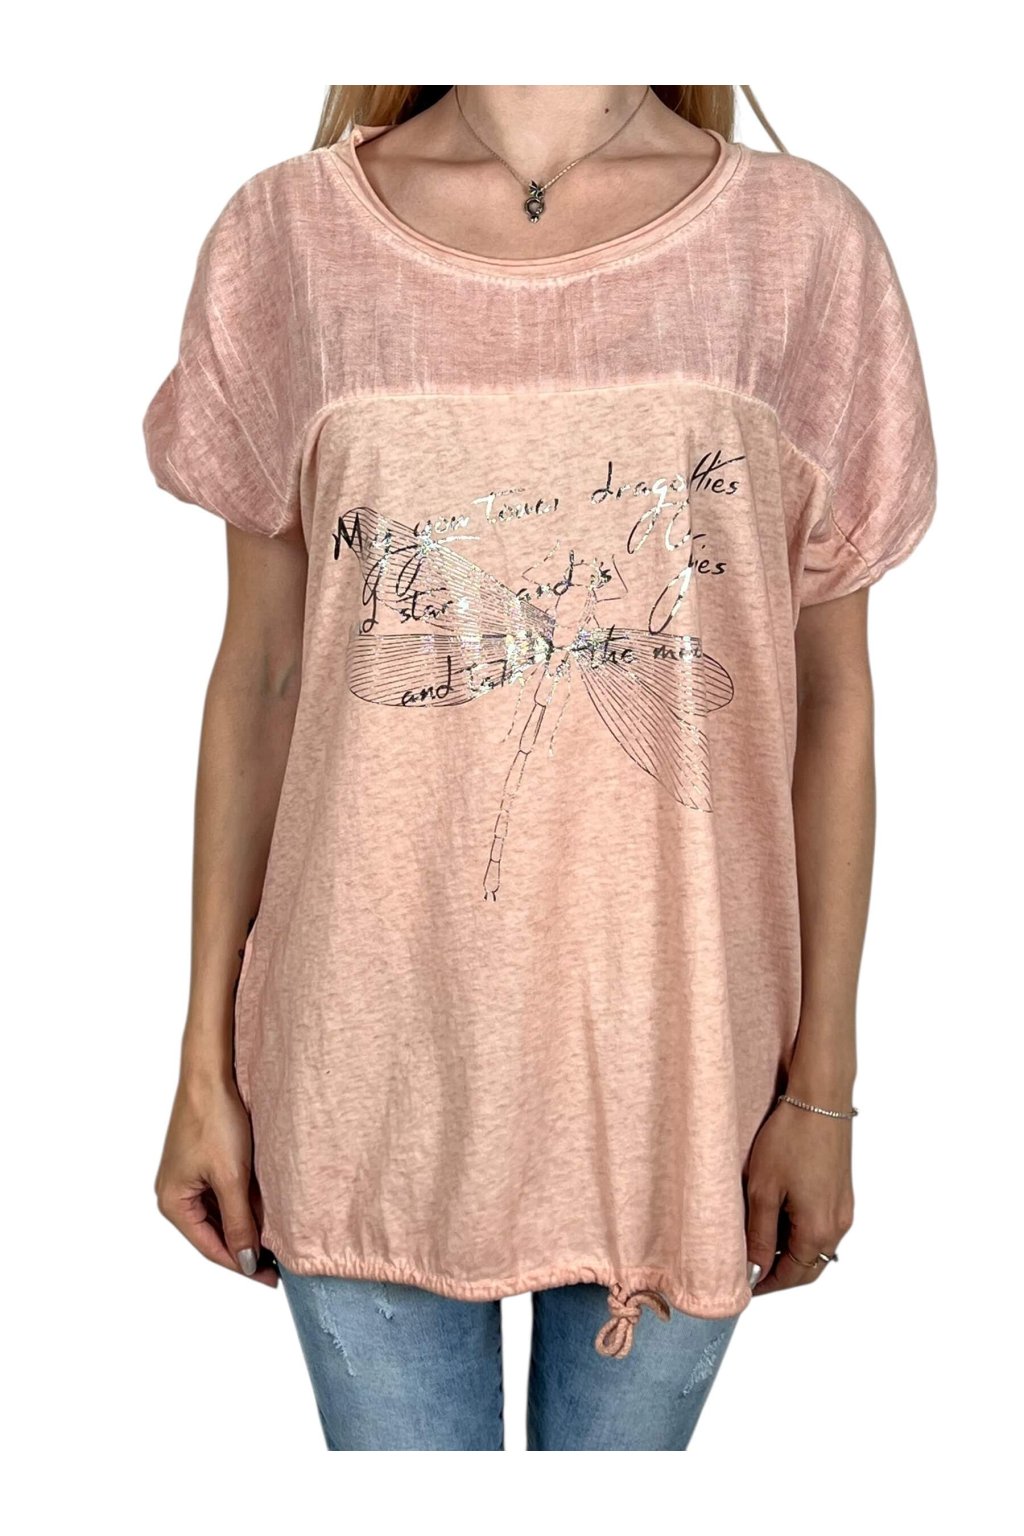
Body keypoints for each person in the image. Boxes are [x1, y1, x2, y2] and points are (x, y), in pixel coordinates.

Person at [142, 84, 937, 1452]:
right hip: (362, 1059)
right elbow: (261, 681)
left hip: (684, 1067)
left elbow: (834, 701)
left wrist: (824, 1087)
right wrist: (201, 1062)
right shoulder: (287, 237)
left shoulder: (804, 245)